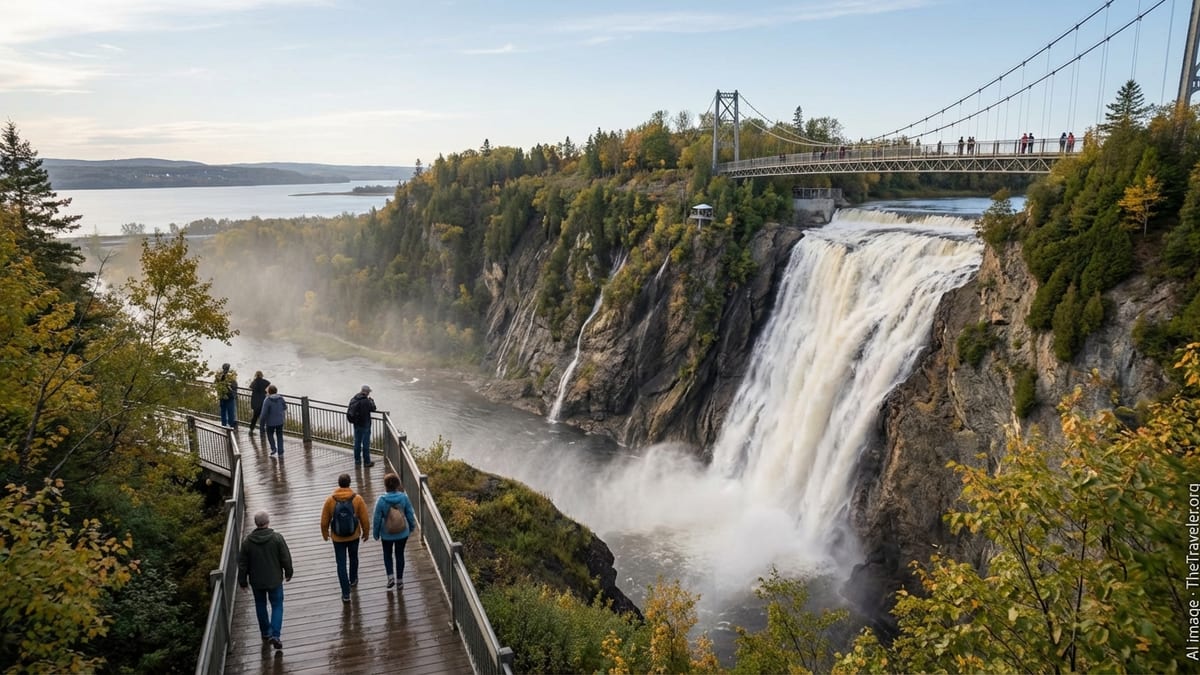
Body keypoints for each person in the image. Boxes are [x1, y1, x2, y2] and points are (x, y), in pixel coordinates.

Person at [237, 510, 293, 651]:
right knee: (277, 605)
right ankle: (275, 634)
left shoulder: (247, 542)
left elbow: (242, 564)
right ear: (268, 522)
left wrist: (242, 581)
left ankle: (265, 632)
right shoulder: (277, 538)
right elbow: (285, 557)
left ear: (256, 523)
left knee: (260, 604)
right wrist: (289, 572)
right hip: (274, 580)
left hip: (257, 581)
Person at [321, 473, 371, 602]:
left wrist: (325, 534)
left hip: (337, 538)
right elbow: (364, 518)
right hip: (353, 535)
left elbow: (324, 520)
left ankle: (345, 594)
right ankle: (353, 579)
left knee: (341, 564)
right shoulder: (357, 499)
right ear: (349, 483)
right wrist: (366, 532)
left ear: (339, 484)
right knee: (354, 557)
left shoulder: (330, 500)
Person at [372, 472, 416, 590]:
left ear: (385, 485)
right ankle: (400, 581)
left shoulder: (381, 500)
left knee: (387, 554)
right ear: (397, 484)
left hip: (387, 533)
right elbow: (410, 514)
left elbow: (376, 518)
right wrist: (412, 527)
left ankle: (390, 577)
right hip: (402, 532)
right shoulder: (403, 497)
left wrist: (375, 533)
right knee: (399, 554)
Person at [348, 385, 377, 467]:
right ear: (367, 392)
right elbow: (373, 408)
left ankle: (357, 461)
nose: (369, 394)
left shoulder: (354, 398)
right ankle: (367, 462)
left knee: (357, 442)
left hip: (356, 424)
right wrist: (372, 401)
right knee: (365, 444)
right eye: (369, 392)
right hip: (365, 425)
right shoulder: (366, 401)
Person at [260, 385, 287, 457]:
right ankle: (280, 452)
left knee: (270, 435)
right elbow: (285, 407)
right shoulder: (281, 398)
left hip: (270, 422)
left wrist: (261, 424)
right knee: (279, 436)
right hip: (280, 421)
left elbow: (264, 413)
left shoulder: (267, 400)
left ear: (269, 392)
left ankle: (273, 448)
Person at [215, 363, 238, 429]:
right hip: (229, 396)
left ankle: (224, 424)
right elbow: (235, 386)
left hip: (222, 396)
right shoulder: (230, 377)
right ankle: (231, 425)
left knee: (223, 411)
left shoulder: (219, 376)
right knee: (230, 411)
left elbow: (217, 385)